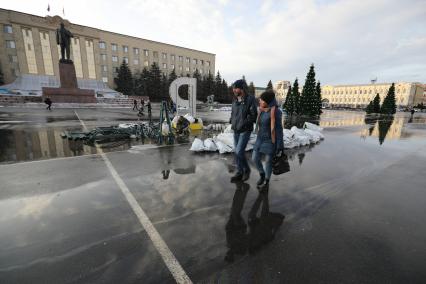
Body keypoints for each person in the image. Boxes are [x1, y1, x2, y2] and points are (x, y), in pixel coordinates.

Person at [252, 91, 284, 190]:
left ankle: (266, 182)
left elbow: (279, 129)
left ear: (268, 101)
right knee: (254, 158)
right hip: (260, 138)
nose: (260, 101)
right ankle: (262, 174)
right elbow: (258, 122)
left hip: (270, 140)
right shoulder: (261, 110)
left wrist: (279, 145)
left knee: (268, 161)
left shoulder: (276, 112)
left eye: (262, 100)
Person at [230, 79, 258, 182]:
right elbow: (233, 113)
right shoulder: (235, 100)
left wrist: (244, 123)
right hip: (236, 129)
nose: (234, 90)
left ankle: (246, 170)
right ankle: (239, 172)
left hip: (245, 130)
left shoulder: (250, 99)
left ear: (241, 88)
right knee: (237, 152)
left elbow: (253, 115)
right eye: (233, 88)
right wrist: (232, 121)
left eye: (235, 88)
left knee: (239, 151)